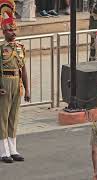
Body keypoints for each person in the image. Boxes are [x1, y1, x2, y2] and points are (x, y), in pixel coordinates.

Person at [0, 0, 30, 163]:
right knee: (2, 118)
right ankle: (3, 151)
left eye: (14, 29)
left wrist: (27, 89)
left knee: (14, 117)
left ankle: (13, 149)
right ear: (4, 31)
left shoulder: (20, 47)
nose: (13, 33)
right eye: (10, 30)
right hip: (4, 82)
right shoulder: (0, 48)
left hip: (16, 83)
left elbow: (23, 69)